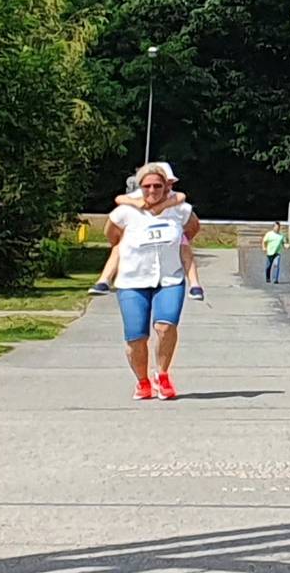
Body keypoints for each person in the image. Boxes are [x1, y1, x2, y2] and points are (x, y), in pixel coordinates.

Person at [106, 163, 200, 401]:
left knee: (165, 327)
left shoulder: (180, 209)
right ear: (140, 186)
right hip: (132, 279)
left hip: (169, 277)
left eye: (161, 185)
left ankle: (163, 375)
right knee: (136, 337)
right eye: (148, 186)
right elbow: (111, 234)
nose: (154, 190)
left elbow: (193, 228)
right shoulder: (127, 210)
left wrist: (179, 244)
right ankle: (142, 381)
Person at [91, 161, 203, 303]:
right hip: (136, 240)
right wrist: (137, 204)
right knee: (119, 247)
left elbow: (183, 200)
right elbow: (120, 199)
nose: (166, 186)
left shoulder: (174, 198)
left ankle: (194, 284)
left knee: (185, 249)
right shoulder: (141, 193)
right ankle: (104, 280)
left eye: (168, 183)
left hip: (171, 236)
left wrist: (163, 208)